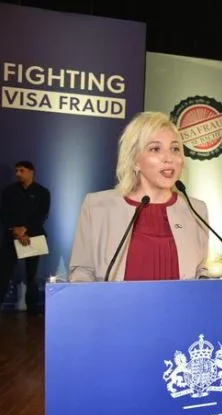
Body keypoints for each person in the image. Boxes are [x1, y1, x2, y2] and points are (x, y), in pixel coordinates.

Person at [68, 112, 209, 282]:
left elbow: (200, 270)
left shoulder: (196, 210)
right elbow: (82, 273)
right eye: (155, 149)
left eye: (175, 149)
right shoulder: (97, 207)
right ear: (135, 161)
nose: (169, 158)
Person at [0, 161, 51, 314]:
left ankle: (33, 310)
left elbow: (42, 215)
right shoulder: (8, 191)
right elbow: (4, 214)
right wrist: (16, 231)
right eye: (16, 171)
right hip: (11, 236)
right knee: (3, 273)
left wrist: (26, 229)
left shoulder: (42, 192)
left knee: (32, 275)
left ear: (31, 172)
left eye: (21, 170)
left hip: (33, 237)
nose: (18, 174)